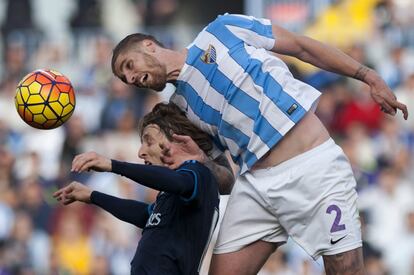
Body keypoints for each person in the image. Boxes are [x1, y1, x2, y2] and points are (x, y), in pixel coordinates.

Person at [110, 13, 409, 275]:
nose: (131, 77)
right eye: (125, 78)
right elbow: (225, 181)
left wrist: (367, 75)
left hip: (313, 165)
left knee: (346, 270)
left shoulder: (222, 30)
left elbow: (302, 47)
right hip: (256, 184)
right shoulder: (181, 108)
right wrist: (201, 161)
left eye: (129, 65)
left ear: (149, 45)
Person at [54, 102, 221, 275]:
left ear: (175, 139)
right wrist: (92, 196)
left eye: (149, 142)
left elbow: (178, 182)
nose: (141, 152)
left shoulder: (199, 174)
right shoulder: (173, 193)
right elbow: (145, 215)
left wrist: (112, 165)